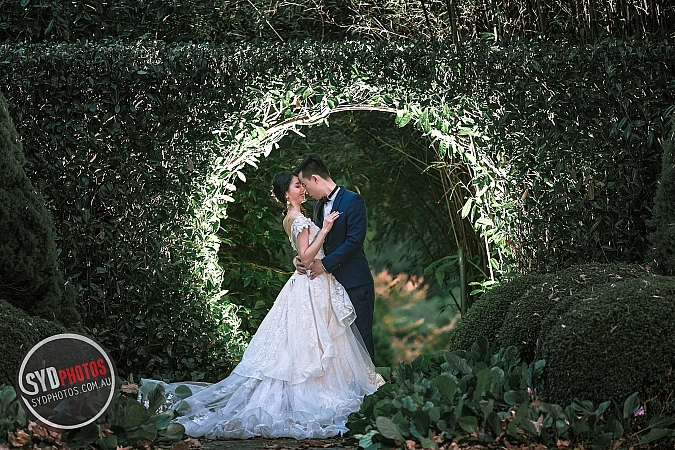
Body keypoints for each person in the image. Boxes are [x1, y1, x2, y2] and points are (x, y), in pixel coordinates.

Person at [138, 171, 384, 440]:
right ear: (286, 194)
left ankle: (329, 385)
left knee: (318, 341)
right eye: (297, 186)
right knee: (309, 342)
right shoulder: (299, 218)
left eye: (302, 184)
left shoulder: (298, 215)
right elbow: (305, 256)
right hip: (311, 283)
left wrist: (303, 255)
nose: (302, 189)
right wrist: (323, 230)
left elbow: (302, 253)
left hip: (315, 282)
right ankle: (317, 392)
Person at [293, 156, 376, 361]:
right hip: (329, 288)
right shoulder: (318, 206)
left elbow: (354, 241)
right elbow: (319, 242)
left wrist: (324, 264)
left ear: (315, 178)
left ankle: (371, 383)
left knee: (362, 346)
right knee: (340, 351)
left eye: (304, 185)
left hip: (355, 283)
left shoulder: (353, 200)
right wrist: (301, 259)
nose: (305, 191)